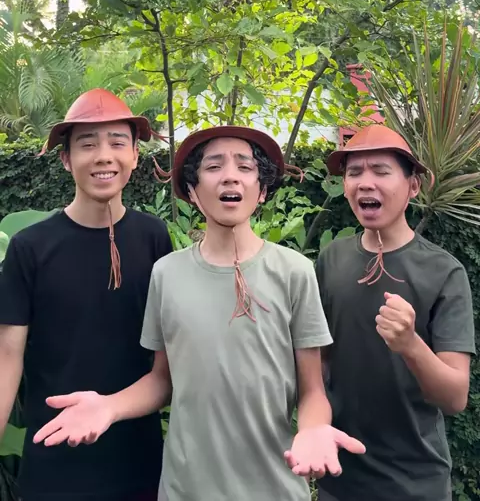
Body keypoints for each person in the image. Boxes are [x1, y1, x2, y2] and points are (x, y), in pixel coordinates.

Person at [33, 124, 366, 501]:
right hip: (184, 489)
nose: (230, 176)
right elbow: (162, 380)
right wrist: (109, 407)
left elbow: (312, 391)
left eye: (245, 166)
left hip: (275, 487)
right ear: (192, 190)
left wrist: (314, 429)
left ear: (262, 190)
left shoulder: (294, 272)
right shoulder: (167, 273)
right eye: (214, 166)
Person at [0, 88, 173, 501]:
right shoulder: (30, 247)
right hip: (54, 456)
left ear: (135, 155)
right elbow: (7, 357)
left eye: (117, 142)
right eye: (88, 144)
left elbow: (166, 365)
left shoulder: (153, 237)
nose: (103, 156)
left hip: (137, 459)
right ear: (66, 159)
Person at [316, 124, 475, 501]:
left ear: (413, 186)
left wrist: (410, 344)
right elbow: (318, 364)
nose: (364, 183)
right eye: (354, 172)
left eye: (381, 171)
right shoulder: (331, 260)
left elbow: (455, 397)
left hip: (416, 483)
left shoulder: (444, 272)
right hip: (340, 477)